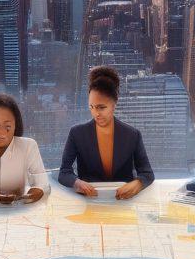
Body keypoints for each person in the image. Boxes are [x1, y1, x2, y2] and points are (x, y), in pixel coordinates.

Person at [58, 66, 154, 199]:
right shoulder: (77, 133)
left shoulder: (132, 135)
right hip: (89, 200)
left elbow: (147, 173)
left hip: (123, 201)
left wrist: (137, 184)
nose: (96, 113)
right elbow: (64, 173)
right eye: (91, 107)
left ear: (114, 105)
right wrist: (76, 182)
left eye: (101, 107)